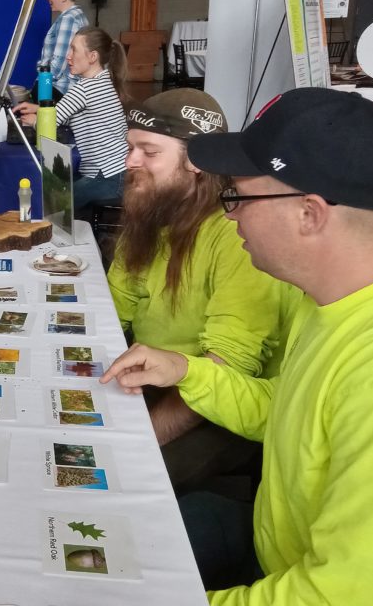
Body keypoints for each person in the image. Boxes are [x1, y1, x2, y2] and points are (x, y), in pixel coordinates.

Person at [101, 87, 373, 605]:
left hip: (291, 577)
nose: (228, 212)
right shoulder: (326, 302)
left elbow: (341, 595)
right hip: (268, 538)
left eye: (237, 195)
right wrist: (188, 372)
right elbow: (287, 410)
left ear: (310, 214)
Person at [106, 88, 285, 491]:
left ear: (196, 162)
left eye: (149, 152)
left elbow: (228, 364)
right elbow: (114, 307)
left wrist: (141, 437)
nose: (130, 161)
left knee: (123, 480)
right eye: (131, 147)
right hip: (153, 378)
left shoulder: (237, 234)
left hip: (211, 408)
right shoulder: (150, 212)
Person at [14, 27, 129, 212]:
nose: (68, 56)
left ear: (92, 56)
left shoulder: (84, 89)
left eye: (74, 50)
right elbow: (76, 115)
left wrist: (33, 121)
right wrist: (38, 109)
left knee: (52, 203)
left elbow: (51, 122)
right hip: (119, 172)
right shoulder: (104, 80)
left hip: (107, 176)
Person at [40, 0, 89, 95]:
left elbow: (59, 63)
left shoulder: (69, 19)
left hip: (60, 89)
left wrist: (41, 82)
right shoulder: (77, 15)